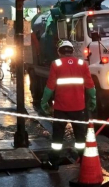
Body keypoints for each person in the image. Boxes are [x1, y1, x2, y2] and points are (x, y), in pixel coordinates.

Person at [40, 40, 96, 170]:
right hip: (79, 107)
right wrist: (93, 101)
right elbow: (90, 85)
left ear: (60, 52)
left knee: (58, 137)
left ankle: (53, 162)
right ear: (72, 51)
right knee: (80, 136)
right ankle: (84, 160)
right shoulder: (82, 64)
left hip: (61, 108)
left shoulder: (56, 64)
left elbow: (50, 86)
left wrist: (44, 102)